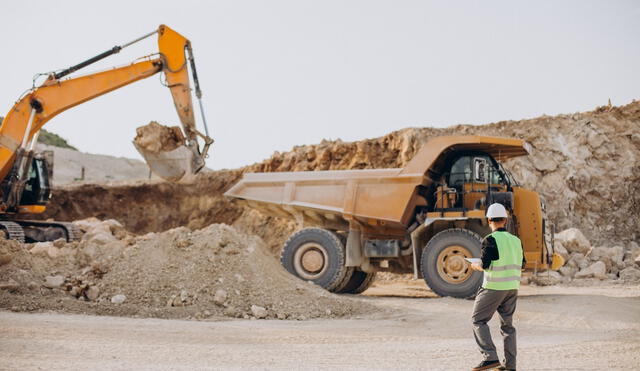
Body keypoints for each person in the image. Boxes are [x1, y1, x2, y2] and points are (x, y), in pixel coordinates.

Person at [469, 203, 525, 371]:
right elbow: (522, 265)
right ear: (505, 220)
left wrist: (475, 266)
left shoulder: (490, 240)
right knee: (507, 326)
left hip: (494, 287)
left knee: (478, 319)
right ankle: (510, 366)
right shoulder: (516, 241)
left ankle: (490, 357)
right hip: (512, 288)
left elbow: (485, 265)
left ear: (489, 220)